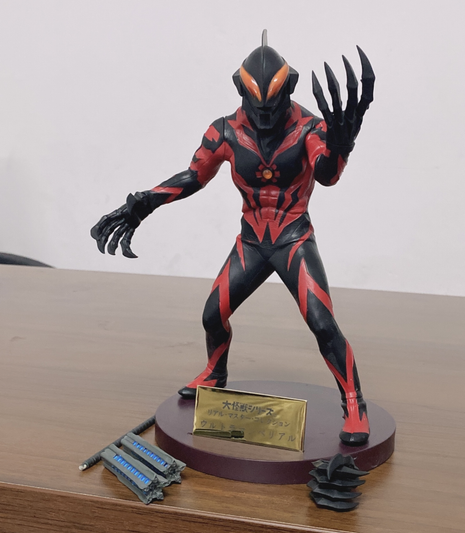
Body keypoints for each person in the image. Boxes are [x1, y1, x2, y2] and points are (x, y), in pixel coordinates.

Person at [91, 34, 375, 446]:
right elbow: (194, 175)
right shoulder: (224, 131)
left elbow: (327, 175)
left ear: (289, 88)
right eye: (257, 105)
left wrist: (341, 145)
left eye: (273, 105)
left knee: (322, 323)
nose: (265, 114)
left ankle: (354, 402)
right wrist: (144, 202)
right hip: (253, 240)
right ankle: (215, 372)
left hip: (293, 237)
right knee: (212, 315)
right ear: (240, 90)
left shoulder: (309, 128)